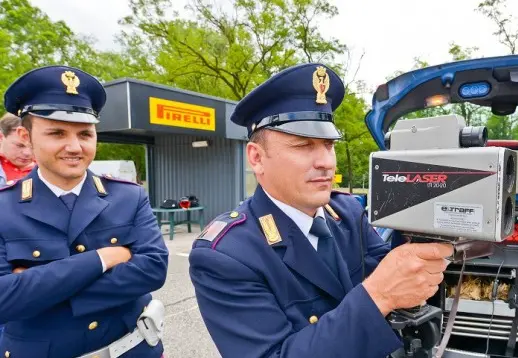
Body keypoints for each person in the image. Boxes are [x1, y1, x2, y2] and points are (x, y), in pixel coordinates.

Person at [189, 63, 454, 357]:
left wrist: (420, 230)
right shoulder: (227, 255)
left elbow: (393, 271)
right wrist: (377, 296)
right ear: (257, 158)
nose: (326, 162)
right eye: (303, 145)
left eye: (328, 145)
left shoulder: (347, 213)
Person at [0, 65, 169, 358]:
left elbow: (153, 270)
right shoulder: (4, 207)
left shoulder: (128, 196)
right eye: (57, 133)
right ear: (25, 136)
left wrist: (37, 287)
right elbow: (4, 300)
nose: (74, 147)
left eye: (85, 134)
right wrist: (103, 258)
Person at [0, 112, 35, 187]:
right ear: (1, 137)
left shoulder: (48, 171)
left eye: (33, 146)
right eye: (20, 145)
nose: (28, 153)